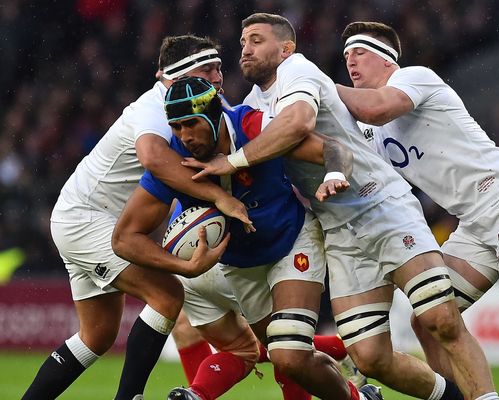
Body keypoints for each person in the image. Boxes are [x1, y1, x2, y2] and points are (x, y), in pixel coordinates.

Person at [186, 12, 497, 400]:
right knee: (371, 358)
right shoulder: (252, 104)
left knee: (440, 319)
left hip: (380, 206)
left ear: (286, 48)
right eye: (243, 42)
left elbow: (299, 123)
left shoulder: (298, 72)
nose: (246, 49)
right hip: (337, 230)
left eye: (256, 40)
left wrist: (233, 162)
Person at [335, 21, 499, 386]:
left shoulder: (415, 78)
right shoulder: (371, 130)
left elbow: (377, 108)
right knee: (430, 319)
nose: (350, 62)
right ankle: (458, 396)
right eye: (346, 55)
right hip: (474, 223)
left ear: (386, 59)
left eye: (359, 52)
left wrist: (319, 86)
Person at [112, 76, 381, 400]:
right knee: (288, 355)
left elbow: (332, 148)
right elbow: (124, 239)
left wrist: (335, 174)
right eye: (176, 126)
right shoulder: (175, 159)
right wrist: (184, 268)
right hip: (240, 267)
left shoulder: (254, 126)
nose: (185, 136)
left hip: (292, 242)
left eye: (191, 124)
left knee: (289, 351)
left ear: (214, 114)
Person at [21, 35, 251, 400]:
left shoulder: (202, 105)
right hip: (88, 219)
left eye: (219, 67)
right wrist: (218, 196)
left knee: (96, 337)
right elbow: (153, 159)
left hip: (89, 218)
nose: (219, 76)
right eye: (208, 68)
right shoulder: (153, 105)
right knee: (167, 293)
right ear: (175, 75)